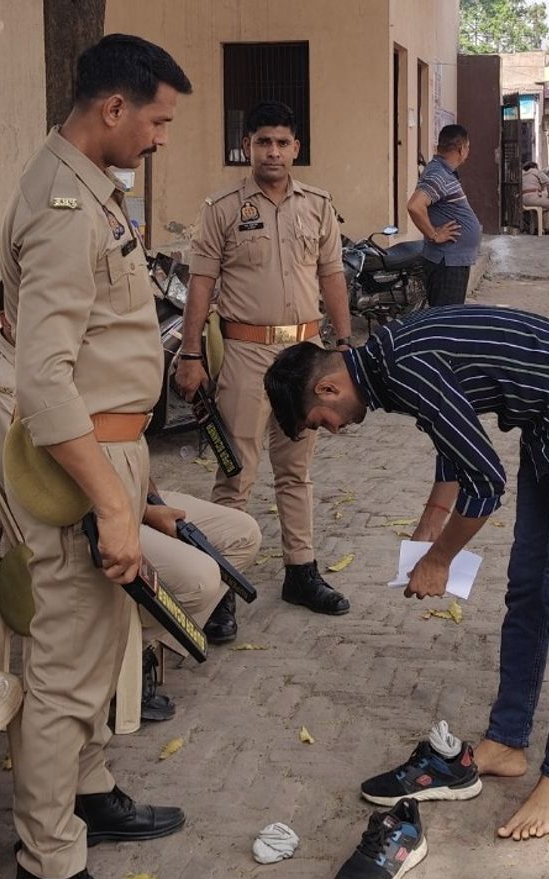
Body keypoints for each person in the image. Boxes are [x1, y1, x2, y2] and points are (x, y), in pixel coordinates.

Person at [263, 305, 549, 842]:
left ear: (326, 389)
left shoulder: (401, 369)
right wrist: (426, 532)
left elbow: (485, 480)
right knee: (526, 594)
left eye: (321, 422)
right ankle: (507, 742)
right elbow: (453, 445)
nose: (333, 430)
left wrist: (439, 560)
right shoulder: (385, 365)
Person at [0, 34, 193, 879]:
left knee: (102, 648)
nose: (159, 137)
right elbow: (43, 380)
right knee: (66, 674)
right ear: (114, 108)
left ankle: (87, 793)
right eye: (156, 119)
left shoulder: (85, 189)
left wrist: (134, 484)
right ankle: (47, 871)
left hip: (110, 453)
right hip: (79, 467)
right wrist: (112, 504)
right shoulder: (64, 207)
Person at [0, 284, 262, 685]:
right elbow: (52, 494)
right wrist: (145, 514)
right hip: (81, 525)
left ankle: (143, 645)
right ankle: (118, 668)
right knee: (201, 578)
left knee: (243, 534)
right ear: (5, 319)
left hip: (124, 495)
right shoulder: (3, 390)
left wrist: (147, 497)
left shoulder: (56, 361)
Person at [174, 100, 352, 621]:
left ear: (296, 148)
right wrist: (189, 354)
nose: (272, 151)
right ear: (246, 146)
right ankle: (221, 586)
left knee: (297, 471)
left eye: (282, 142)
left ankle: (302, 570)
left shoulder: (318, 205)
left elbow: (332, 278)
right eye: (262, 141)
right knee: (236, 472)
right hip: (247, 354)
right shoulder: (223, 209)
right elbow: (201, 284)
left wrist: (343, 346)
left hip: (304, 356)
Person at [407, 124, 482, 306]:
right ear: (461, 149)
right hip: (447, 263)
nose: (468, 152)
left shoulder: (443, 172)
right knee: (445, 320)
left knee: (448, 318)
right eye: (468, 147)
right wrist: (434, 234)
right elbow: (415, 205)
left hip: (452, 260)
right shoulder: (438, 174)